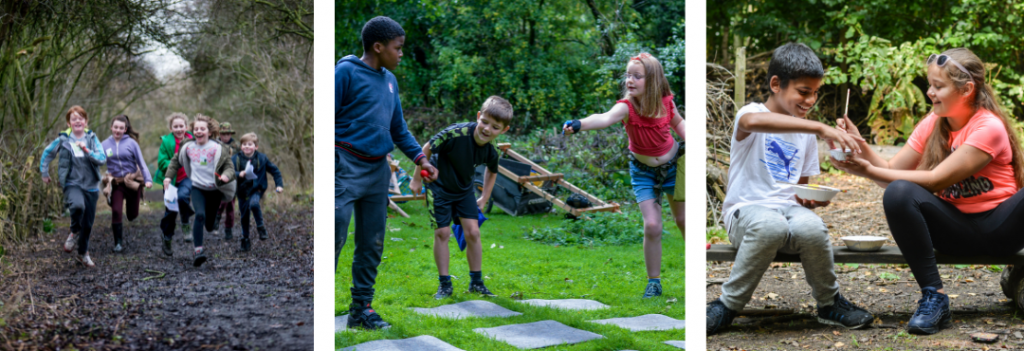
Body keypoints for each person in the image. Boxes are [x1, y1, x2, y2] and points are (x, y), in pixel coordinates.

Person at [831, 48, 1024, 335]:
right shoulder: (933, 123)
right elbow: (890, 170)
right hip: (953, 231)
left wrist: (865, 170)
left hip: (1001, 229)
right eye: (929, 85)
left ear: (967, 89)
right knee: (898, 193)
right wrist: (859, 144)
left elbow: (935, 180)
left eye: (938, 86)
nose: (930, 93)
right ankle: (935, 296)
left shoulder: (988, 127)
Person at [706, 42, 872, 335]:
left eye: (815, 93)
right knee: (769, 225)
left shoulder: (806, 134)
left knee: (812, 227)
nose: (810, 100)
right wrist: (819, 128)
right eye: (803, 92)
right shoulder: (751, 112)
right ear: (775, 84)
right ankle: (727, 305)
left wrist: (811, 201)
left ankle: (829, 303)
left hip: (788, 215)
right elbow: (754, 122)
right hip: (745, 213)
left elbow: (800, 191)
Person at [336, 15, 438, 330]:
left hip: (377, 171)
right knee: (334, 235)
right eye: (398, 48)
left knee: (372, 242)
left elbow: (399, 130)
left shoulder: (390, 81)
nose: (402, 53)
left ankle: (361, 310)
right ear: (378, 47)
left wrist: (421, 160)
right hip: (344, 166)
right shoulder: (346, 72)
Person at [562, 52, 685, 298]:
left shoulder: (665, 102)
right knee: (652, 225)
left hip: (673, 167)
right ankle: (654, 282)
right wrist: (579, 124)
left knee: (683, 221)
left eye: (637, 76)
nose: (630, 80)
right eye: (628, 75)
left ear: (653, 81)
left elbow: (679, 124)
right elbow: (604, 118)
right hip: (643, 172)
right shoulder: (626, 107)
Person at [410, 96, 511, 300]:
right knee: (443, 233)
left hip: (464, 191)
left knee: (473, 233)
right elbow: (426, 148)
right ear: (478, 116)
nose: (487, 129)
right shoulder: (455, 133)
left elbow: (492, 171)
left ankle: (476, 282)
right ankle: (445, 284)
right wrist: (416, 180)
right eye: (484, 122)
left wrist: (484, 196)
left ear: (503, 130)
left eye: (495, 127)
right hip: (438, 187)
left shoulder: (491, 151)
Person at [163, 114, 236, 267]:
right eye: (196, 129)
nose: (198, 131)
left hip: (215, 189)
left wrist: (225, 176)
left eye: (202, 129)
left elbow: (229, 167)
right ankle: (198, 251)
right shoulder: (188, 147)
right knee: (200, 215)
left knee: (209, 225)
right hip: (197, 188)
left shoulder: (218, 148)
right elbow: (175, 161)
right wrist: (168, 177)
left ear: (209, 132)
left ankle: (212, 222)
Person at [39, 105, 107, 267]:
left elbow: (102, 158)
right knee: (77, 207)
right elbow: (47, 154)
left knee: (88, 224)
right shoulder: (63, 140)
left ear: (85, 121)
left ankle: (83, 254)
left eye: (80, 118)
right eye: (73, 118)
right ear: (69, 123)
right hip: (72, 183)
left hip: (91, 185)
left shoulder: (92, 138)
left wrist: (88, 151)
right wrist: (44, 173)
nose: (77, 121)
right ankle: (74, 230)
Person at [101, 115, 153, 252]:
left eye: (121, 128)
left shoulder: (132, 143)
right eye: (115, 127)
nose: (118, 130)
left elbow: (141, 163)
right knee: (116, 211)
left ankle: (131, 210)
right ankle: (118, 243)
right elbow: (98, 161)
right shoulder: (104, 144)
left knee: (132, 215)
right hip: (117, 183)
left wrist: (147, 179)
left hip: (131, 183)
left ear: (125, 129)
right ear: (111, 127)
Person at [232, 132, 284, 251]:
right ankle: (245, 239)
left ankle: (261, 227)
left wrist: (279, 185)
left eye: (250, 144)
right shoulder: (236, 159)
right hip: (242, 191)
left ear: (256, 147)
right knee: (244, 215)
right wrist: (238, 174)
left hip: (257, 188)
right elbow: (228, 172)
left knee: (254, 204)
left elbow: (275, 171)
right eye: (244, 144)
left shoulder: (262, 158)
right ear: (241, 147)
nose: (246, 147)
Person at [155, 113, 195, 243]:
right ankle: (167, 237)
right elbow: (161, 162)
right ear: (171, 129)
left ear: (186, 127)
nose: (179, 129)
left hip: (186, 178)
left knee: (183, 197)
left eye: (181, 126)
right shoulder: (166, 142)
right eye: (175, 126)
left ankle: (185, 224)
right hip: (170, 180)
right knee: (171, 212)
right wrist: (176, 163)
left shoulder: (192, 139)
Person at [213, 121, 237, 238]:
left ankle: (228, 229)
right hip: (218, 178)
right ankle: (216, 218)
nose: (226, 137)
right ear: (220, 134)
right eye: (223, 134)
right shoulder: (214, 145)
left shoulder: (236, 147)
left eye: (228, 134)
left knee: (230, 205)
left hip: (233, 179)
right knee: (220, 201)